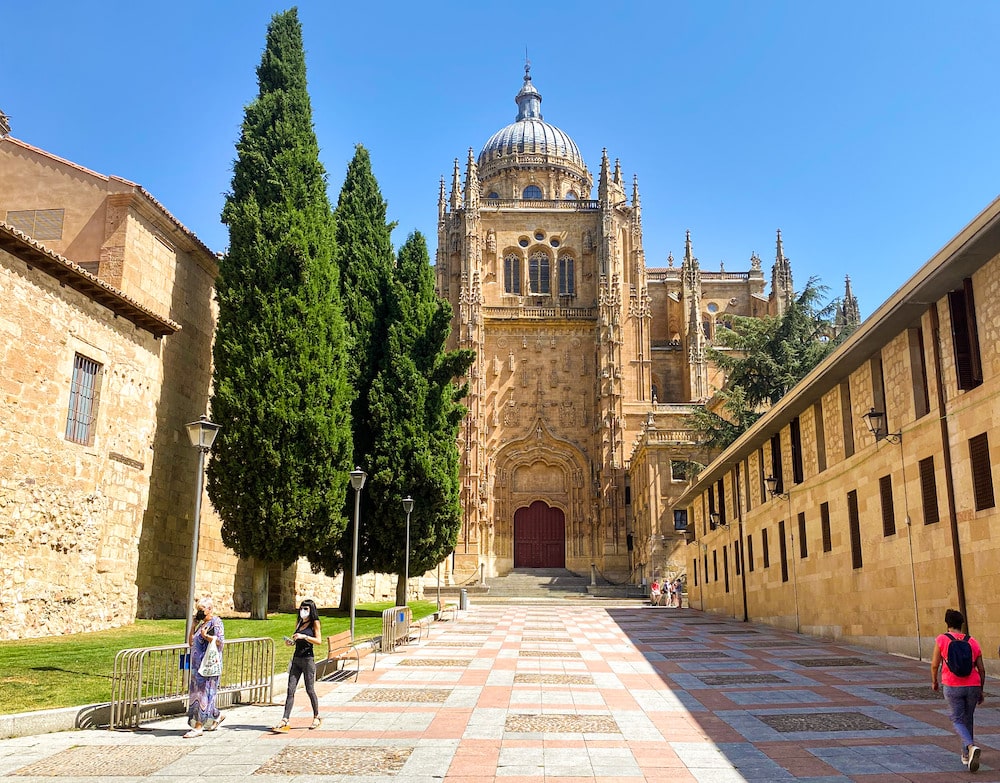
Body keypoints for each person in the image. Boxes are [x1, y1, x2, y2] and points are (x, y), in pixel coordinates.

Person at [931, 608, 986, 772]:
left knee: (957, 719)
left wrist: (934, 681)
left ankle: (970, 746)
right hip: (973, 685)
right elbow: (981, 669)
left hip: (952, 685)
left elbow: (934, 664)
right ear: (962, 624)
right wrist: (981, 689)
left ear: (947, 624)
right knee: (968, 718)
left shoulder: (942, 639)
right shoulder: (972, 641)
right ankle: (966, 755)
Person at [272, 599, 323, 732]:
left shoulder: (314, 623)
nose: (303, 611)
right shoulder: (299, 622)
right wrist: (291, 642)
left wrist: (304, 637)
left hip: (308, 659)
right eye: (301, 609)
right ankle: (285, 719)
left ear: (311, 610)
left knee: (309, 689)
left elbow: (319, 641)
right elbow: (296, 639)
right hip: (296, 659)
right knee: (290, 689)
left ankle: (317, 716)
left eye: (306, 609)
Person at [185, 596, 225, 738]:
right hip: (197, 666)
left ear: (210, 609)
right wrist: (193, 626)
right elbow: (191, 642)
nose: (200, 613)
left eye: (202, 610)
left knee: (203, 695)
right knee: (199, 695)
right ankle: (217, 715)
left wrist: (207, 636)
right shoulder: (201, 625)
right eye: (198, 610)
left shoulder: (216, 622)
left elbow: (220, 641)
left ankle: (198, 727)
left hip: (208, 666)